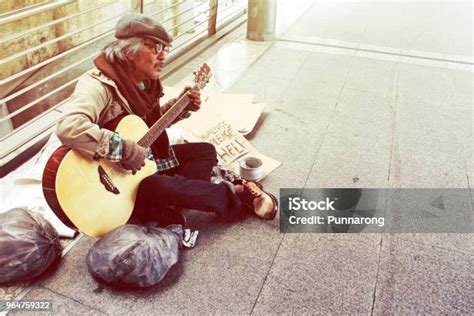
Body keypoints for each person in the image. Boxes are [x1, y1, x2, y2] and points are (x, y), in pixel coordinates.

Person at [55, 13, 278, 227]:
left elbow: (145, 127)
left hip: (142, 164)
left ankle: (174, 197)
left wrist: (180, 107)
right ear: (129, 51)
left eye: (165, 48)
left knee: (205, 151)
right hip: (113, 181)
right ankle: (236, 196)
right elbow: (69, 126)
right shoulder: (98, 85)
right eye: (156, 48)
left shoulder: (145, 83)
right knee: (159, 185)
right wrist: (123, 149)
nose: (163, 56)